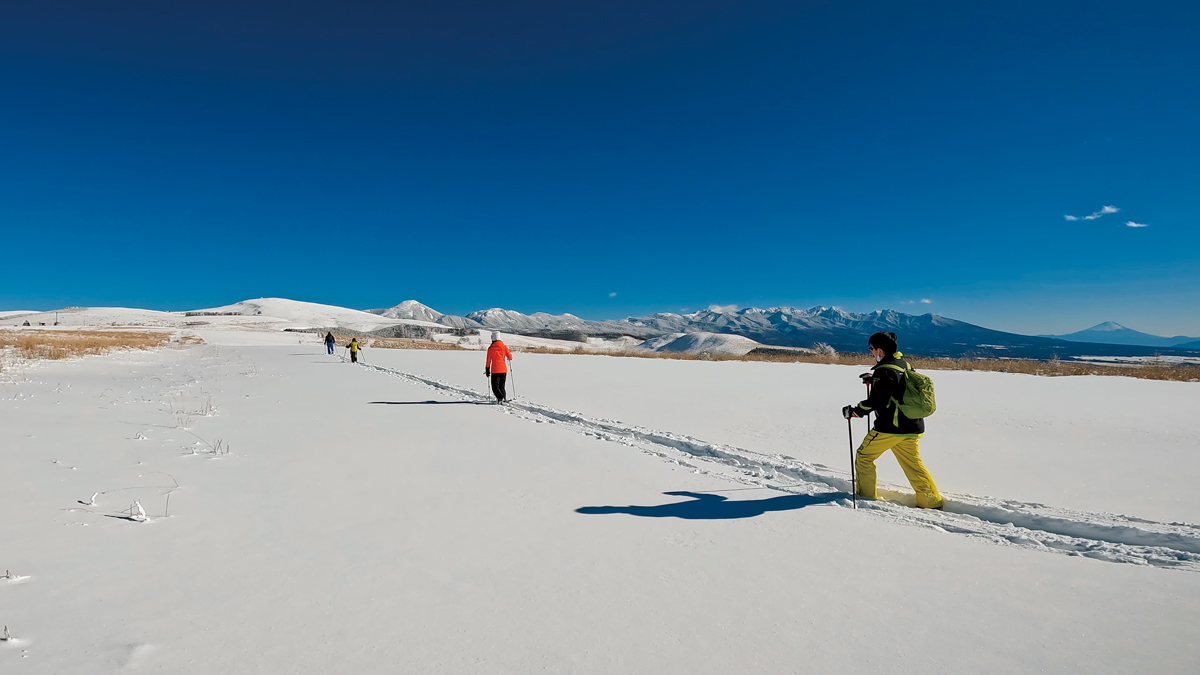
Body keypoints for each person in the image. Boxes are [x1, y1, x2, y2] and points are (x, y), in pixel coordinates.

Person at [842, 331, 943, 509]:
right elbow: (897, 387)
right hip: (911, 426)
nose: (871, 352)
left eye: (871, 349)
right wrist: (875, 380)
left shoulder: (885, 370)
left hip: (890, 427)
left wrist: (856, 411)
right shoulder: (903, 363)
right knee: (913, 464)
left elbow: (877, 400)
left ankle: (866, 497)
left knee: (863, 457)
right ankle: (931, 501)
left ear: (880, 350)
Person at [484, 331, 513, 403]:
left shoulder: (490, 349)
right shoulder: (504, 347)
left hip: (495, 370)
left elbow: (488, 360)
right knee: (502, 386)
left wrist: (487, 369)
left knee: (495, 387)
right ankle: (504, 398)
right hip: (504, 370)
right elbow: (510, 357)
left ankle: (500, 398)